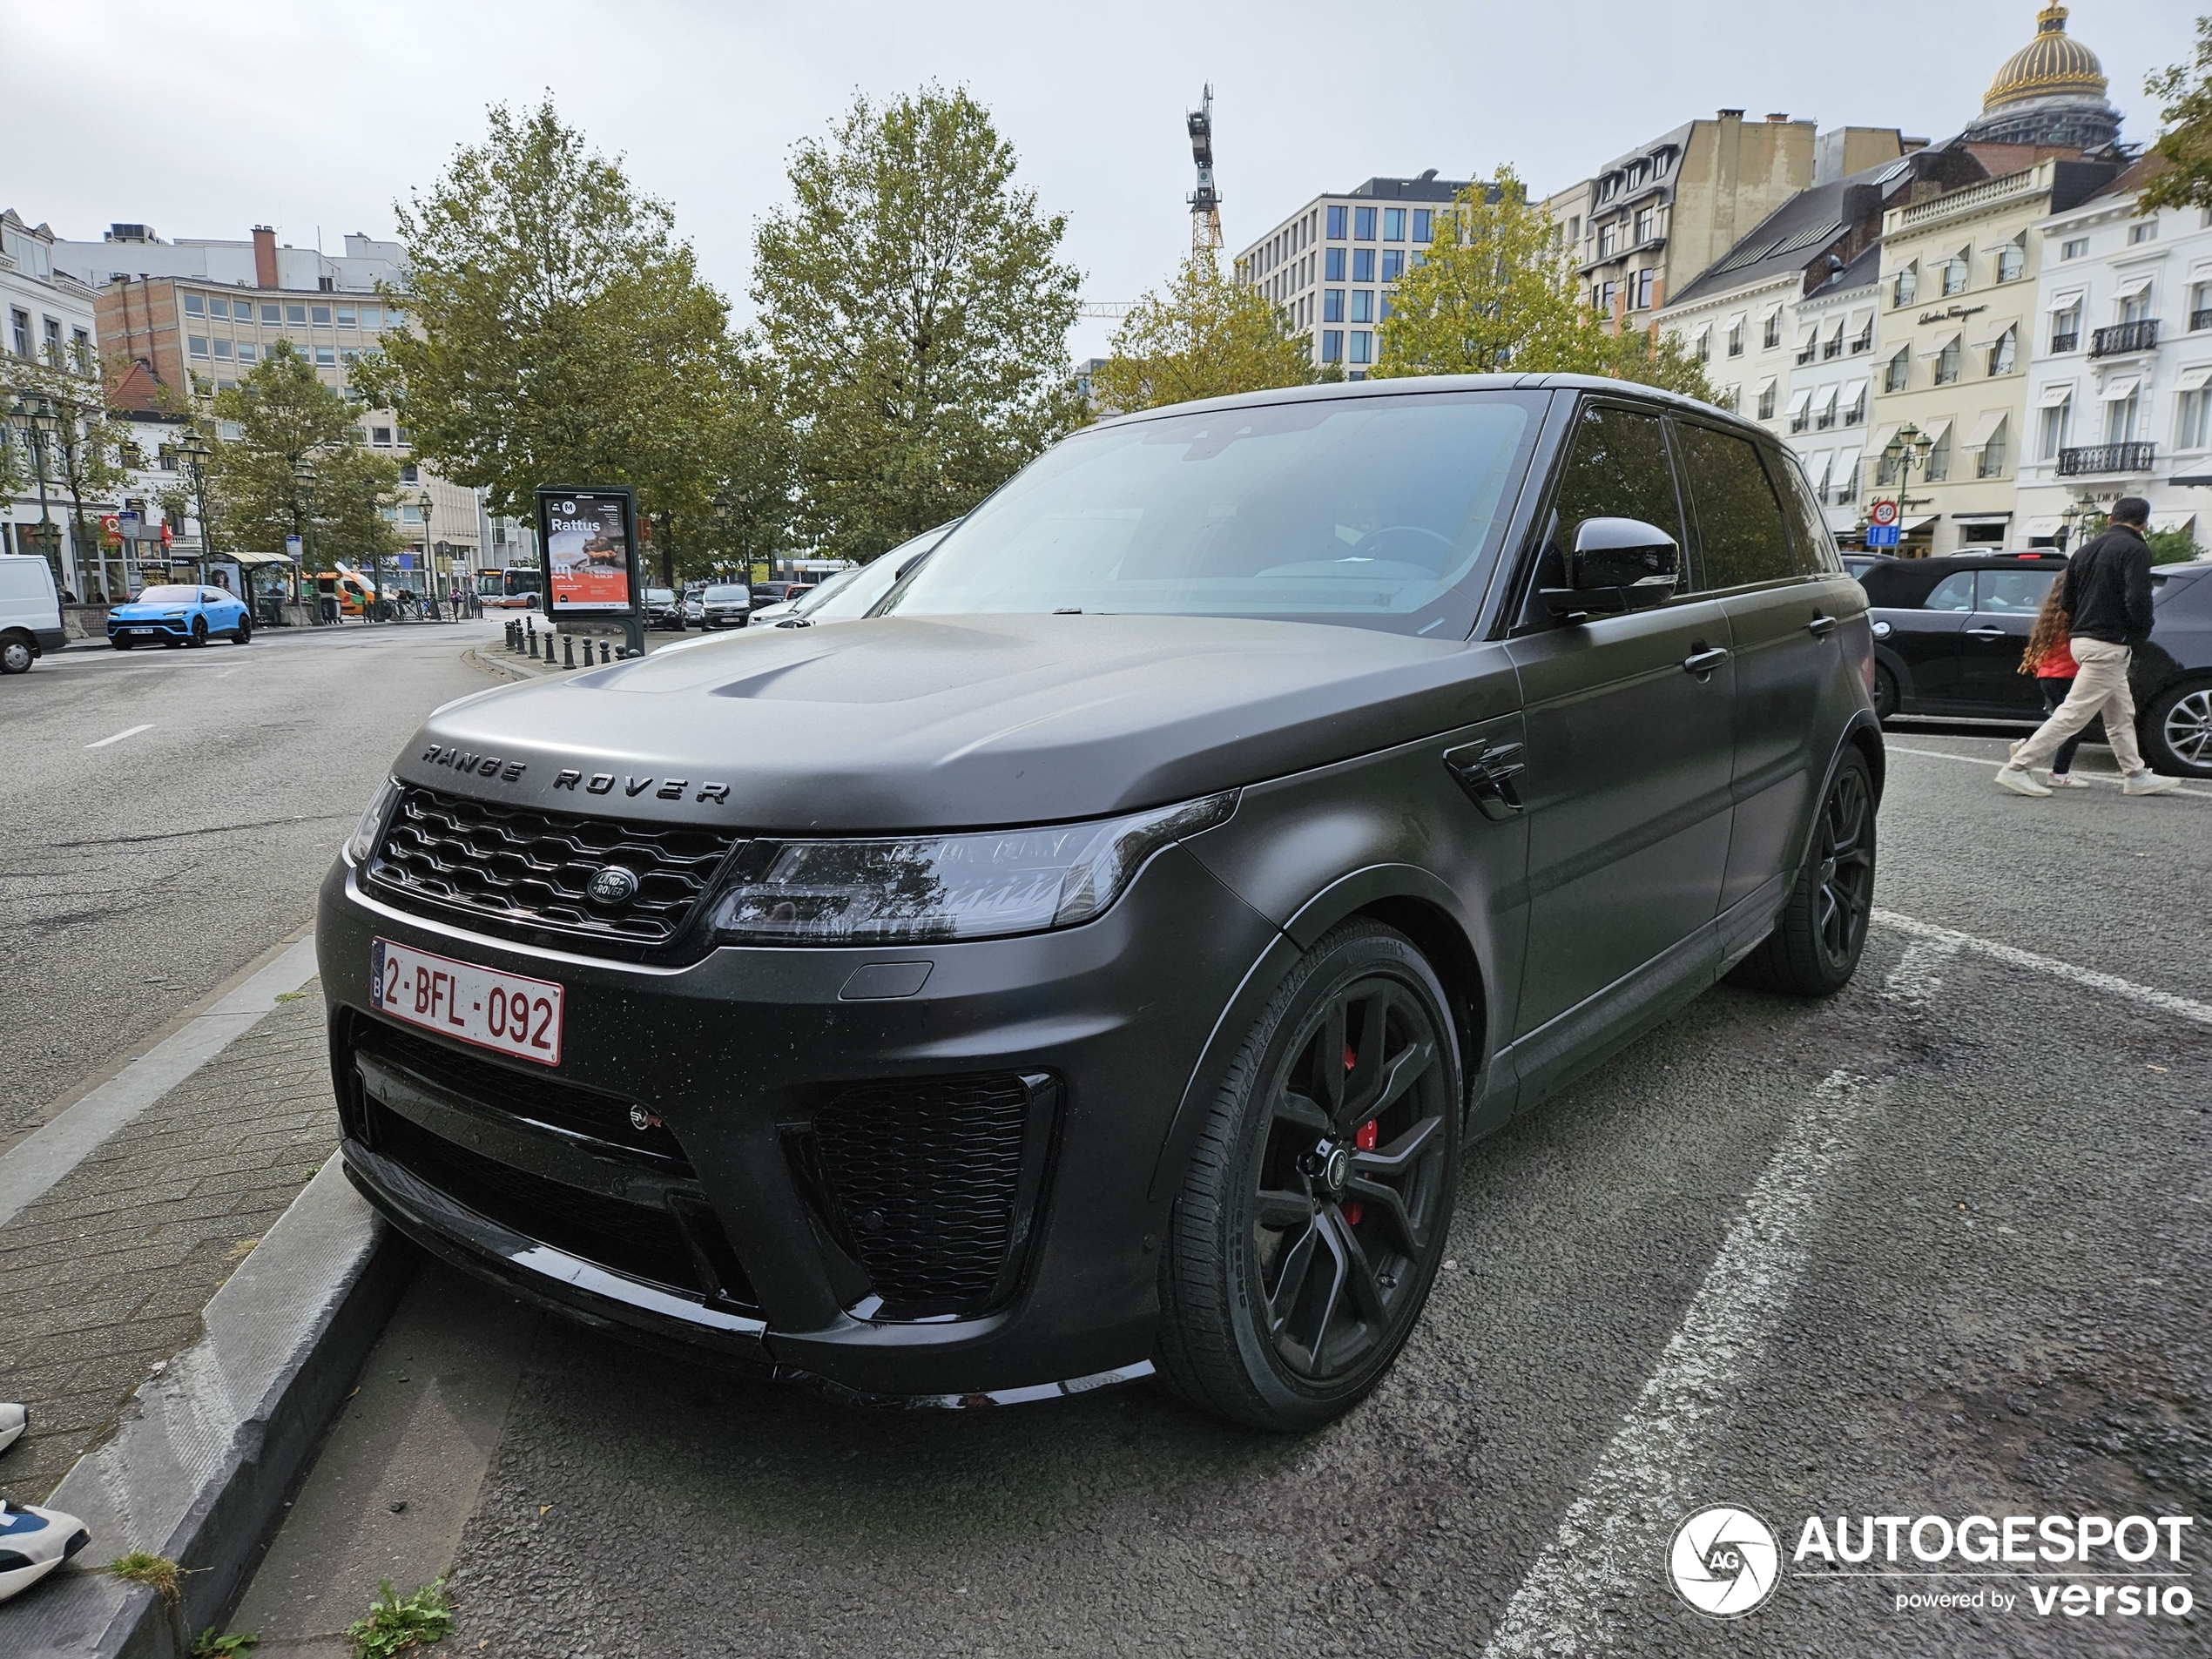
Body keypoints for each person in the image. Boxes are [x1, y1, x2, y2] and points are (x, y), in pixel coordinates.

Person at [1995, 497, 2179, 797]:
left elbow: (2067, 599)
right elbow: (2138, 599)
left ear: (2110, 519)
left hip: (2081, 639)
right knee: (2074, 713)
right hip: (2109, 643)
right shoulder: (2135, 549)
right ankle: (2017, 766)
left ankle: (2135, 773)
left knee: (2120, 711)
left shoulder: (2084, 550)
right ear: (2143, 524)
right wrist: (2138, 632)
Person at [2017, 574, 2088, 787]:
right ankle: (2059, 773)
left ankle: (2028, 744)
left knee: (2059, 720)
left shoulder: (2050, 614)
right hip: (2068, 674)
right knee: (2072, 726)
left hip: (2048, 675)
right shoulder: (2077, 614)